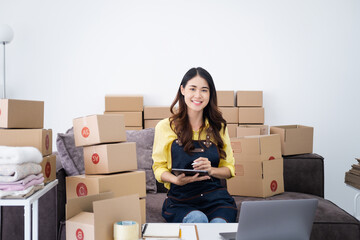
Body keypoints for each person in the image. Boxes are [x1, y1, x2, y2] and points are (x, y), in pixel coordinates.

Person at [152, 67, 238, 223]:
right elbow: (158, 167)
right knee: (198, 219)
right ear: (183, 90)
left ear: (210, 94)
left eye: (204, 90)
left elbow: (229, 169)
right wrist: (175, 180)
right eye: (193, 89)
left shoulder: (219, 127)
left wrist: (211, 169)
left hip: (216, 199)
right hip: (181, 201)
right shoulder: (165, 127)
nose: (198, 95)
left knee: (218, 225)